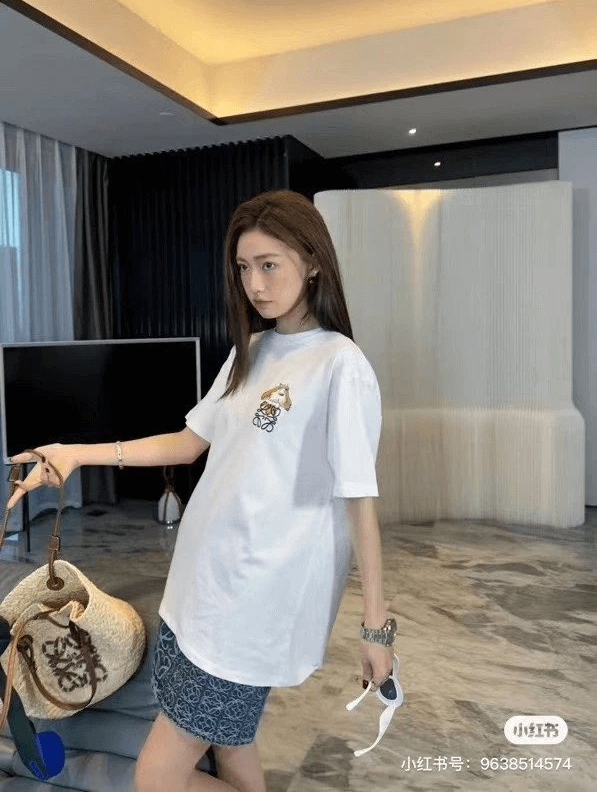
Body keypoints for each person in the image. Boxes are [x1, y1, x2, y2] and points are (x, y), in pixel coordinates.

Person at [6, 190, 394, 792]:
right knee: (232, 750)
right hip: (200, 587)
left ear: (313, 262)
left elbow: (359, 502)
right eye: (243, 268)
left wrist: (375, 628)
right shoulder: (253, 350)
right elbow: (188, 443)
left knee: (156, 778)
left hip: (254, 604)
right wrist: (78, 453)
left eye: (270, 264)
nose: (254, 284)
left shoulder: (340, 365)